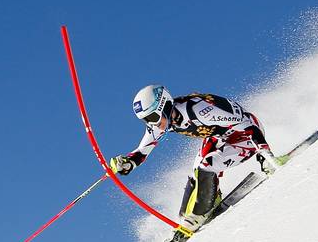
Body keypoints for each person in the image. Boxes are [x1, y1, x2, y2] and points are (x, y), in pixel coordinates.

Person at [108, 85, 280, 232]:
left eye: (153, 117)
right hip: (219, 138)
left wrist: (265, 156)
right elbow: (142, 151)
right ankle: (195, 210)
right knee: (196, 172)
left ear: (165, 106)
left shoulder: (199, 110)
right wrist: (128, 162)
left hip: (245, 137)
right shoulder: (163, 123)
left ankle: (199, 214)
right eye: (146, 120)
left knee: (206, 166)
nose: (153, 124)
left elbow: (247, 125)